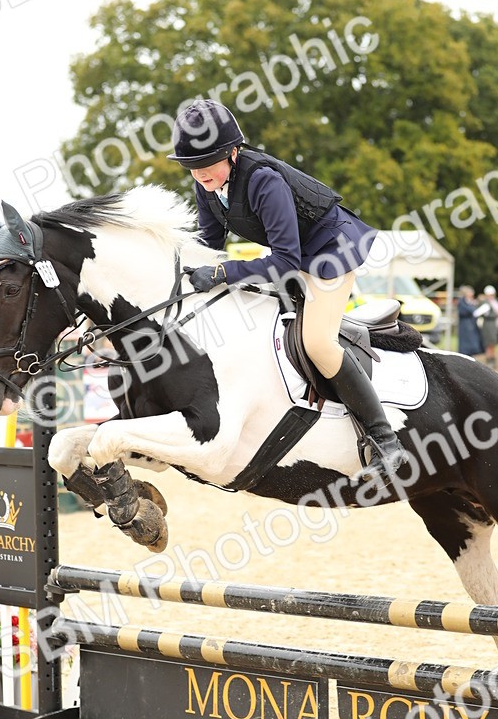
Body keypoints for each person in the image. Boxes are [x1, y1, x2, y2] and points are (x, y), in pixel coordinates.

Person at [166, 99, 406, 481]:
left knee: (318, 343)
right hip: (296, 257)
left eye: (206, 163)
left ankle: (385, 440)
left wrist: (223, 273)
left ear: (232, 151)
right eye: (191, 167)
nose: (199, 174)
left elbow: (284, 261)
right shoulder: (208, 185)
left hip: (332, 252)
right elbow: (209, 245)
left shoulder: (263, 180)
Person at [473, 285, 498, 366]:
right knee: (489, 343)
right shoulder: (486, 304)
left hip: (495, 325)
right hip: (489, 325)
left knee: (493, 343)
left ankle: (492, 359)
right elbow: (477, 313)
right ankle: (490, 360)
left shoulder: (495, 302)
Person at [456, 286, 483, 357]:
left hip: (471, 325)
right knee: (465, 345)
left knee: (472, 343)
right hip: (465, 325)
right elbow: (465, 310)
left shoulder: (470, 301)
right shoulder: (462, 302)